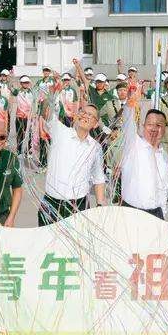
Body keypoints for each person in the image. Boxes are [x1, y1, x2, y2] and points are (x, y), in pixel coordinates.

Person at [40, 77, 107, 224]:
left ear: (95, 124)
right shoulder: (59, 131)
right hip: (52, 204)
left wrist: (100, 205)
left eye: (90, 115)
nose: (84, 116)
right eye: (82, 112)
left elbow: (98, 177)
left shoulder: (95, 147)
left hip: (80, 206)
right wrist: (53, 96)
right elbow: (47, 113)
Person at [118, 90, 168, 219]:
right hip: (130, 212)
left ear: (164, 129)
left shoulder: (165, 157)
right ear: (143, 126)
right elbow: (127, 122)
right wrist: (132, 100)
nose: (154, 129)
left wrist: (163, 213)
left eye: (158, 125)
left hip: (156, 214)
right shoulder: (134, 144)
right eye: (150, 125)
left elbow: (164, 189)